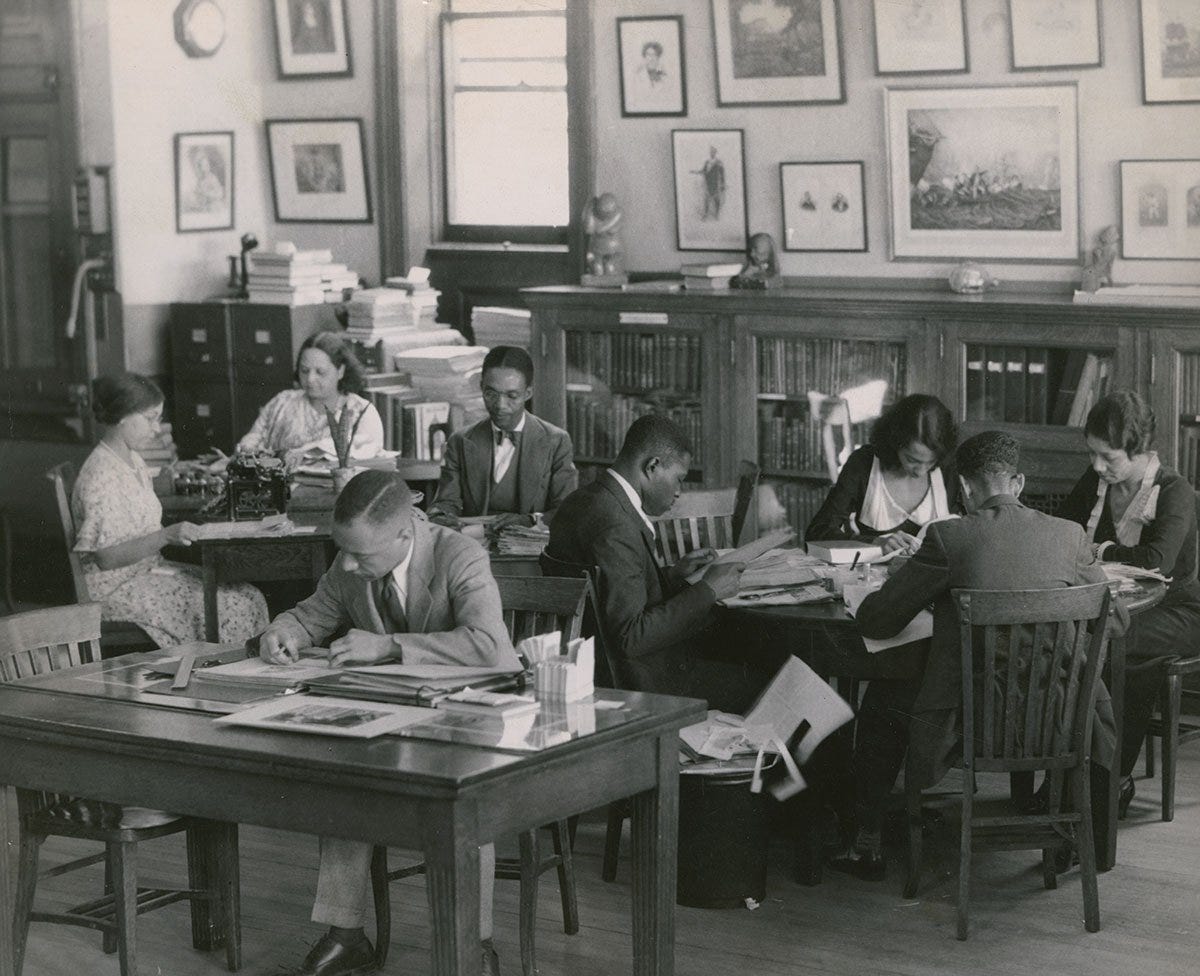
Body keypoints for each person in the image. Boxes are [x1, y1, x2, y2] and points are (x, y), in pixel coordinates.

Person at [257, 469, 520, 976]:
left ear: (404, 533)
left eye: (360, 555)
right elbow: (311, 615)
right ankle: (345, 934)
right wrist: (282, 631)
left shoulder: (459, 555)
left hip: (464, 720)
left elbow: (491, 648)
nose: (348, 565)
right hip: (389, 717)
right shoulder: (352, 559)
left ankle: (476, 945)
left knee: (464, 800)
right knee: (344, 779)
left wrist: (389, 646)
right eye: (343, 551)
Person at [829, 431, 1113, 879]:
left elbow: (877, 622)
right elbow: (1115, 621)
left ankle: (867, 841)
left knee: (884, 700)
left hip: (972, 719)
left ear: (963, 487)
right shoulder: (1070, 536)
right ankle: (1072, 835)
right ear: (1018, 483)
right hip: (1057, 715)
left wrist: (899, 579)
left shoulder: (949, 538)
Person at [545, 415, 776, 706]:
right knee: (767, 680)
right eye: (679, 478)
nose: (679, 491)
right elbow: (631, 637)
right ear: (652, 466)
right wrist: (709, 590)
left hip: (589, 671)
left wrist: (672, 575)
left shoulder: (582, 500)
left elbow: (607, 592)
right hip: (640, 683)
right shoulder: (617, 525)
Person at [1059, 390, 1200, 814]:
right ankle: (1076, 779)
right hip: (1120, 609)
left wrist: (1099, 550)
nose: (1097, 466)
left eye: (1108, 457)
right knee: (1093, 643)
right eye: (1092, 454)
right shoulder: (1097, 482)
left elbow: (1157, 560)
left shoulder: (1174, 489)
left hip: (1180, 612)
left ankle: (1101, 781)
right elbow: (1062, 531)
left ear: (1139, 450)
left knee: (1106, 644)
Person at [72, 373, 268, 646]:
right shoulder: (100, 475)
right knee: (232, 606)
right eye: (150, 418)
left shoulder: (130, 458)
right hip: (114, 589)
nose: (157, 429)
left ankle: (248, 668)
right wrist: (166, 535)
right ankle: (222, 670)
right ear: (122, 416)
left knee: (249, 596)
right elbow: (106, 558)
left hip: (146, 571)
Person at [428, 346, 577, 531]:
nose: (500, 405)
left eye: (512, 396)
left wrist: (529, 520)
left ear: (528, 393)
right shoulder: (460, 441)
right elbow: (445, 502)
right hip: (473, 542)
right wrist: (442, 516)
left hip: (531, 544)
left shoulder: (556, 441)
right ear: (481, 387)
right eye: (491, 394)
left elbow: (567, 510)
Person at [806, 393, 960, 555]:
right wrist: (874, 543)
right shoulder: (864, 464)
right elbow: (817, 533)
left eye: (930, 462)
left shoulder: (948, 470)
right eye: (912, 459)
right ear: (895, 443)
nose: (921, 471)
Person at [238, 331, 384, 469]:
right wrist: (247, 448)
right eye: (304, 370)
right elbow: (254, 437)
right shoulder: (282, 401)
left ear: (341, 371)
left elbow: (367, 452)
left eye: (320, 372)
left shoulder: (361, 411)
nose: (310, 379)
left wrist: (308, 450)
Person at [692, 146, 725, 221]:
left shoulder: (719, 163)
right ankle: (705, 214)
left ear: (715, 153)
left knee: (716, 199)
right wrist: (696, 172)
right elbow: (703, 171)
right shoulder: (707, 162)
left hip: (715, 183)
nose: (712, 153)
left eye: (713, 152)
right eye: (711, 152)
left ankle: (717, 214)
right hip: (707, 183)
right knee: (706, 199)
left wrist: (722, 184)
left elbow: (722, 174)